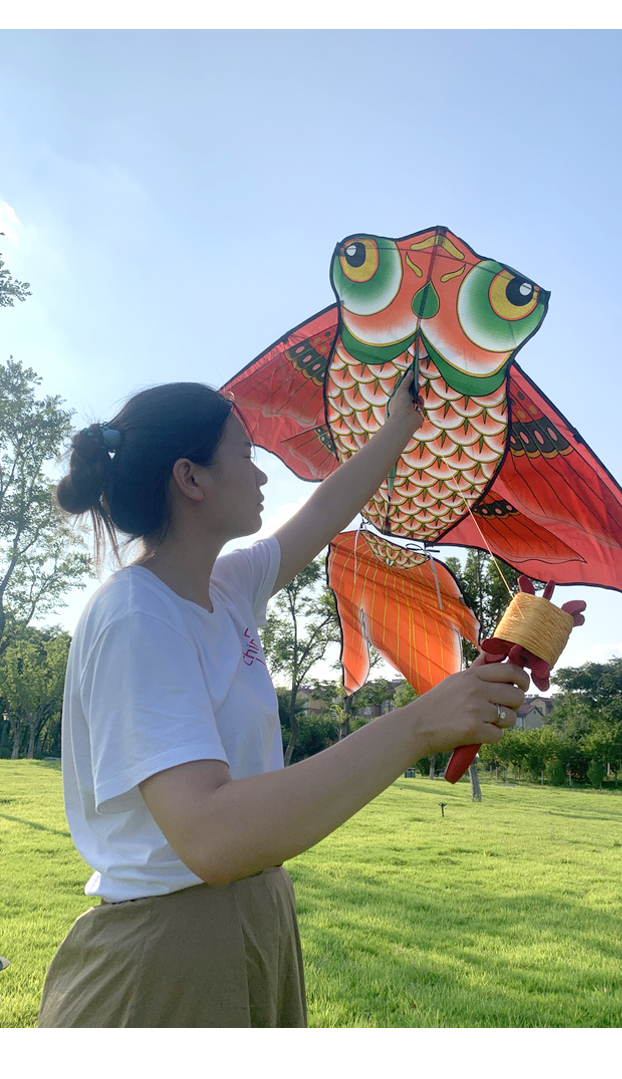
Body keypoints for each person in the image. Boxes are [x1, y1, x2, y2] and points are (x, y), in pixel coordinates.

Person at [37, 378, 529, 1028]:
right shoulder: (137, 615)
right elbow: (210, 836)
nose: (262, 472)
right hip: (165, 952)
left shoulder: (227, 587)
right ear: (191, 478)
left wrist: (400, 427)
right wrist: (418, 726)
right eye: (244, 452)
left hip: (256, 915)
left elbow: (326, 512)